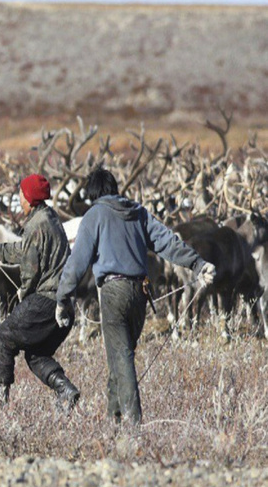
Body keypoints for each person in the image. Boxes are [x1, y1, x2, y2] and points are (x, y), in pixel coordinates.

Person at [55, 167, 215, 426]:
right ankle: (113, 421)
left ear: (93, 194)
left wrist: (63, 299)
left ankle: (133, 425)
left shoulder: (94, 215)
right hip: (141, 293)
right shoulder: (138, 213)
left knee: (121, 357)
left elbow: (76, 263)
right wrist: (197, 264)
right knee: (120, 356)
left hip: (113, 292)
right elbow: (167, 242)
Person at [0, 173, 80, 411]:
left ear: (30, 198)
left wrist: (23, 294)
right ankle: (66, 391)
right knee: (36, 355)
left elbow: (29, 269)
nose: (19, 200)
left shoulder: (36, 225)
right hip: (62, 303)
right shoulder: (49, 217)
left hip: (45, 301)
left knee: (3, 338)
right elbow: (27, 250)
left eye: (21, 195)